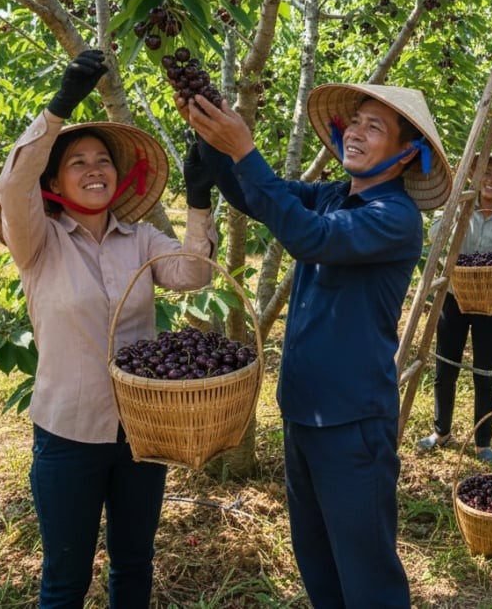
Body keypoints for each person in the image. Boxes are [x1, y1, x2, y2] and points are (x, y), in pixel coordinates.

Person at [178, 83, 451, 609]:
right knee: (317, 556)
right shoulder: (331, 195)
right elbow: (257, 197)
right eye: (356, 121)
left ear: (405, 153)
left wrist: (243, 148)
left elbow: (309, 238)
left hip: (352, 421)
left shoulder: (394, 217)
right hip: (304, 410)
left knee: (366, 571)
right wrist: (212, 139)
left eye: (376, 127)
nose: (357, 131)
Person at [0, 49, 218, 609]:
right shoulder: (38, 242)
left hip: (142, 433)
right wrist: (61, 106)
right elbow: (11, 186)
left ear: (120, 176)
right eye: (78, 162)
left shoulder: (140, 239)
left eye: (103, 161)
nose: (94, 168)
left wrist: (197, 200)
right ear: (56, 181)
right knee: (64, 581)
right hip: (68, 434)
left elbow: (190, 272)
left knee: (133, 566)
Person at [417, 152, 492, 462]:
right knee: (446, 368)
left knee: (484, 374)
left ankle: (483, 443)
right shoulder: (462, 207)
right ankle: (441, 431)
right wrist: (455, 209)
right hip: (455, 298)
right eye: (487, 172)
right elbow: (433, 235)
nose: (491, 179)